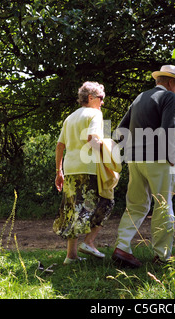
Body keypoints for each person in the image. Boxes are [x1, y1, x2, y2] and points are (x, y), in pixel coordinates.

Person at [112, 65, 175, 268]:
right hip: (158, 158)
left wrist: (111, 153)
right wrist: (171, 155)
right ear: (171, 82)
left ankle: (122, 247)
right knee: (163, 205)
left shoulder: (139, 97)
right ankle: (162, 256)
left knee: (135, 205)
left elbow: (120, 131)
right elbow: (167, 128)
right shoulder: (169, 98)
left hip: (134, 159)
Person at [53, 81, 115, 265]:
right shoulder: (95, 114)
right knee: (107, 202)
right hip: (89, 169)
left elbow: (60, 146)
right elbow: (92, 139)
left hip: (71, 170)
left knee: (73, 210)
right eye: (101, 98)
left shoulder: (70, 118)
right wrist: (108, 161)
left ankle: (71, 256)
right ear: (91, 98)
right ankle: (89, 242)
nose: (103, 102)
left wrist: (59, 171)